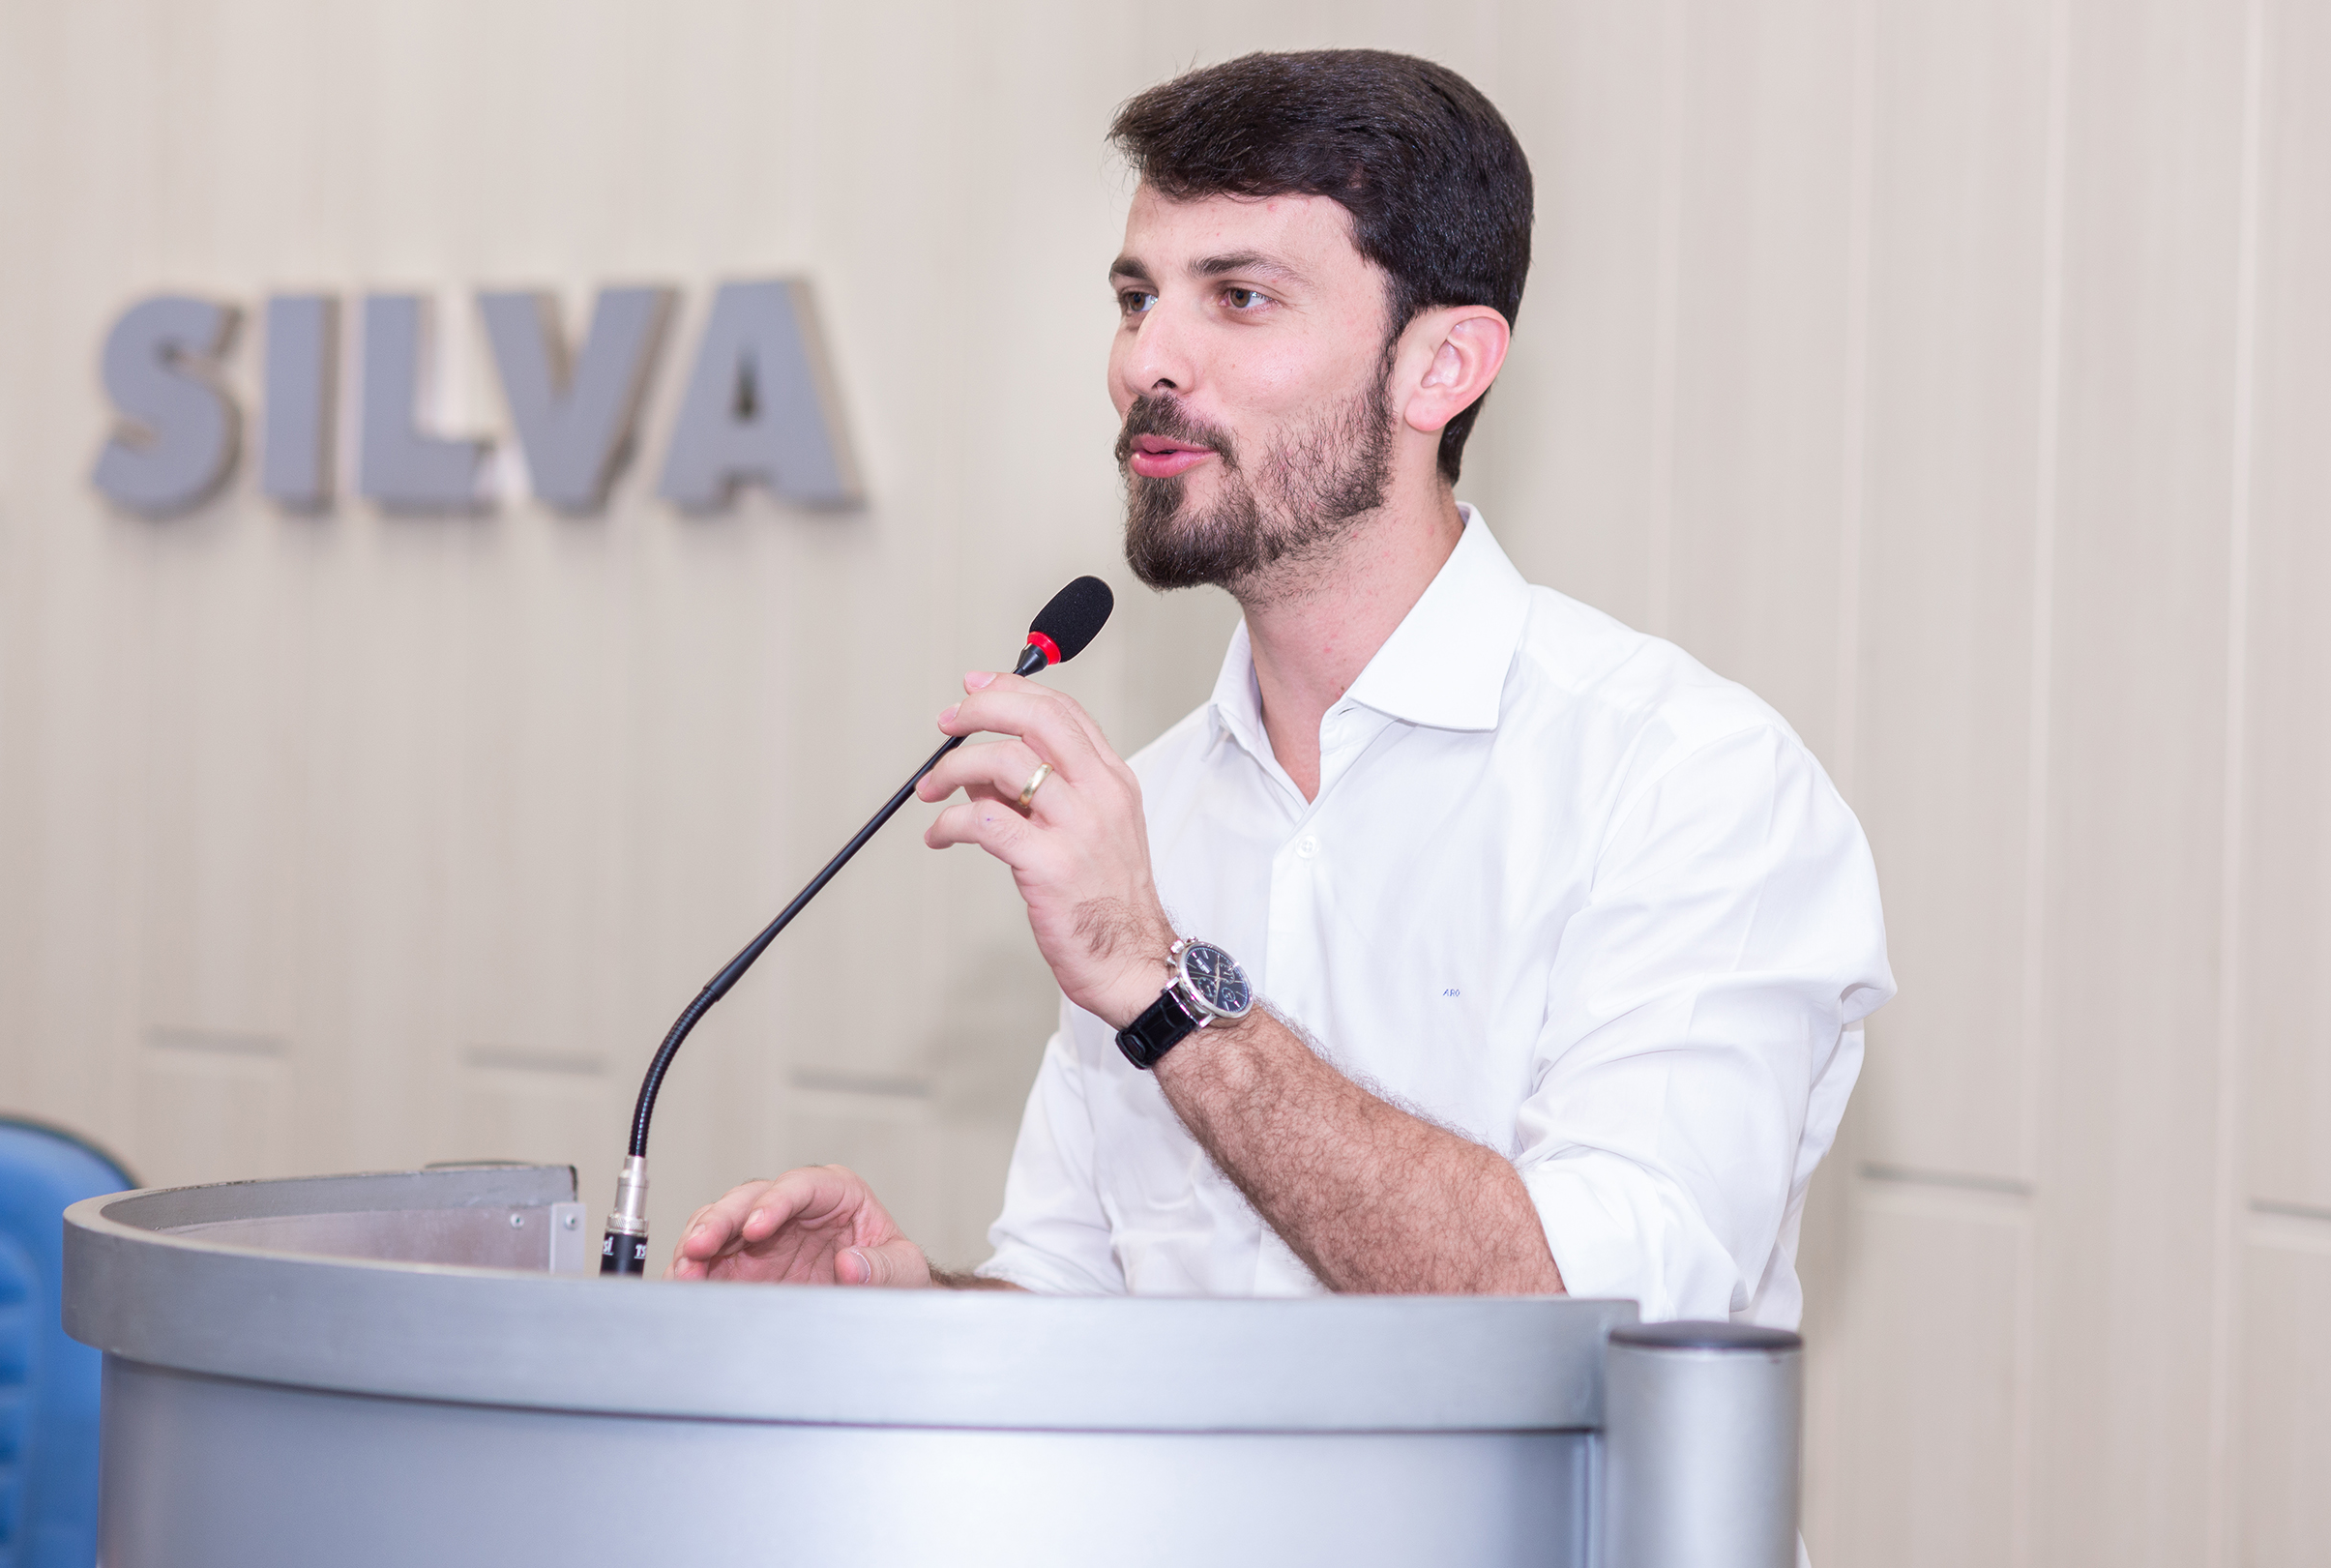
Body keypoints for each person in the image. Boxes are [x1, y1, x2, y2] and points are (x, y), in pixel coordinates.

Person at [672, 48, 1893, 1326]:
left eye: (1240, 297)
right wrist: (900, 1306)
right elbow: (1081, 1305)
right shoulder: (1148, 814)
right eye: (1136, 297)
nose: (1147, 360)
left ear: (1443, 367)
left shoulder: (1689, 785)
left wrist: (1167, 989)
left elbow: (1597, 1316)